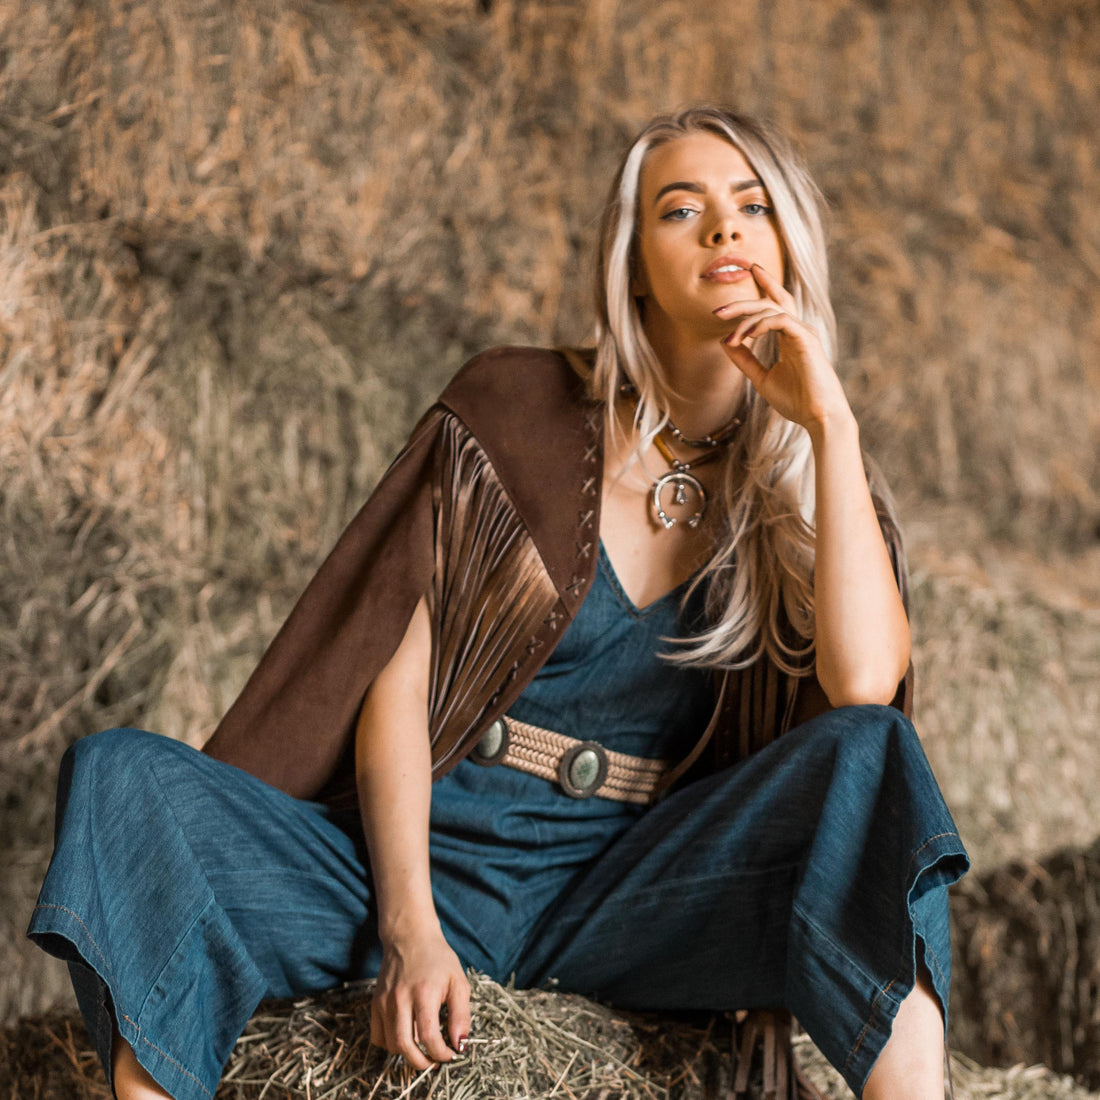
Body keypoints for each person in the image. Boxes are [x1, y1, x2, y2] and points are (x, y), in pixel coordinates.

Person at [28, 105, 969, 1100]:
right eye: (678, 209)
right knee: (124, 775)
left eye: (750, 207)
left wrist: (827, 421)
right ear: (632, 260)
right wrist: (409, 925)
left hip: (636, 897)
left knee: (874, 754)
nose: (721, 231)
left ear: (786, 241)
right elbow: (398, 670)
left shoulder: (814, 479)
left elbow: (863, 687)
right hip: (426, 854)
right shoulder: (512, 405)